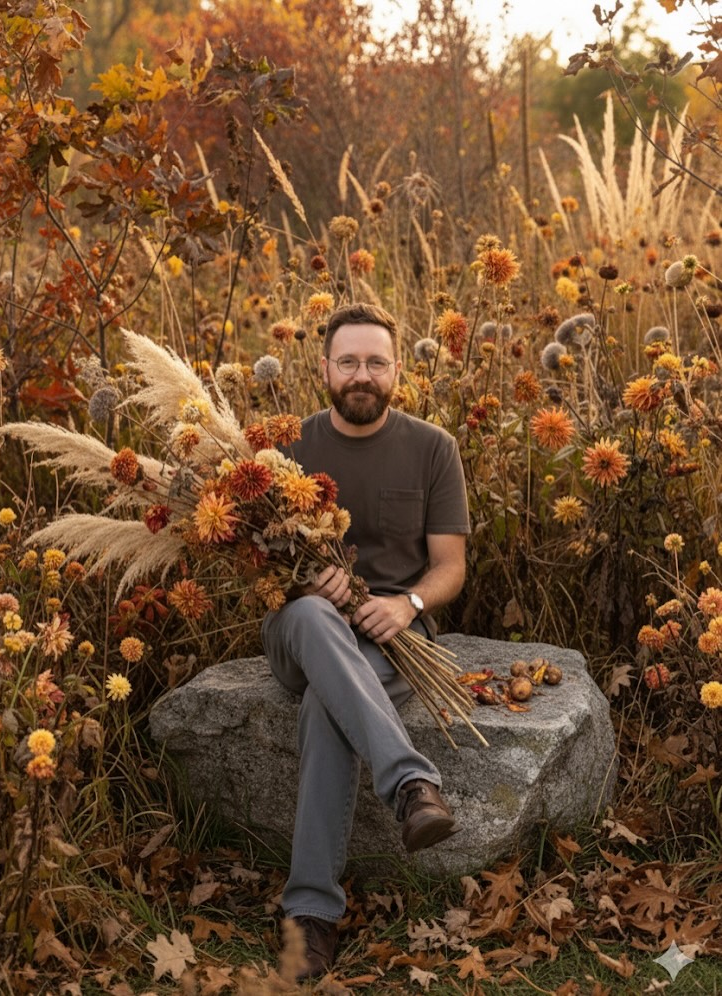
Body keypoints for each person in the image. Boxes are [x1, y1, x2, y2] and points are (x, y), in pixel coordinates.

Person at [260, 303, 470, 980]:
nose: (361, 375)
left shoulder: (431, 446)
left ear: (396, 371)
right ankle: (411, 785)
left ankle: (310, 919)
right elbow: (256, 564)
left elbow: (449, 566)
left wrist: (405, 605)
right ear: (323, 368)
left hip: (389, 639)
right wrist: (299, 576)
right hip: (301, 625)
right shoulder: (285, 448)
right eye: (347, 361)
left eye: (375, 362)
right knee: (319, 623)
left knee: (329, 709)